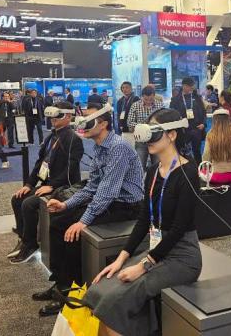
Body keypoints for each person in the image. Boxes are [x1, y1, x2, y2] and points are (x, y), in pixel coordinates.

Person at [85, 109, 201, 336]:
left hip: (182, 256)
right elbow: (143, 221)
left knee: (114, 301)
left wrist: (143, 266)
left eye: (153, 133)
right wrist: (121, 259)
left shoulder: (188, 173)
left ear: (172, 135)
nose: (147, 139)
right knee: (100, 288)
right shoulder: (152, 171)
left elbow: (178, 229)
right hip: (156, 249)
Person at [37, 102, 143, 316]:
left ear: (103, 123)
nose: (82, 123)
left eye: (88, 119)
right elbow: (93, 186)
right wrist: (66, 204)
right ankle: (61, 282)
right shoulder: (99, 147)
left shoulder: (118, 147)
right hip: (110, 201)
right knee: (59, 220)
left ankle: (73, 292)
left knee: (74, 230)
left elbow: (108, 192)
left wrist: (83, 221)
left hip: (127, 206)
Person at [8, 102, 83, 264]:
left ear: (68, 116)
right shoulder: (51, 136)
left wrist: (53, 186)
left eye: (58, 116)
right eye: (52, 116)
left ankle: (31, 245)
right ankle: (24, 238)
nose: (53, 120)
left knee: (28, 204)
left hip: (64, 187)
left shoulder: (73, 139)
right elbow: (40, 163)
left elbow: (71, 169)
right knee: (17, 198)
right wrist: (29, 184)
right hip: (46, 183)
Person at [170, 77, 206, 164]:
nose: (191, 88)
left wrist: (203, 124)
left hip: (196, 129)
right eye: (189, 86)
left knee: (197, 152)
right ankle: (183, 171)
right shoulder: (176, 100)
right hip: (182, 130)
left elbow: (203, 111)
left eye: (192, 86)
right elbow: (171, 114)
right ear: (183, 86)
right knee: (181, 152)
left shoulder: (197, 98)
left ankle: (199, 171)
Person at [202, 108, 231, 184]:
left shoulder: (211, 134)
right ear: (228, 119)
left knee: (202, 172)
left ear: (215, 120)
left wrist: (204, 169)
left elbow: (206, 156)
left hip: (217, 176)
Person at [128, 86, 164, 170]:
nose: (148, 102)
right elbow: (129, 122)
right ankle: (140, 182)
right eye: (146, 100)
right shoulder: (135, 106)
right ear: (142, 96)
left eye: (150, 100)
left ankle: (156, 182)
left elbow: (164, 121)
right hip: (141, 140)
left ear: (154, 96)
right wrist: (143, 127)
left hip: (156, 140)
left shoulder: (160, 105)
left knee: (157, 166)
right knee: (139, 166)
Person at [116, 81, 140, 146]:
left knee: (134, 149)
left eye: (127, 87)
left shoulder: (136, 99)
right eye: (123, 88)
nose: (125, 89)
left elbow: (138, 115)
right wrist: (119, 128)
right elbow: (118, 115)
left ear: (131, 89)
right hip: (123, 128)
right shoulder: (120, 101)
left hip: (133, 129)